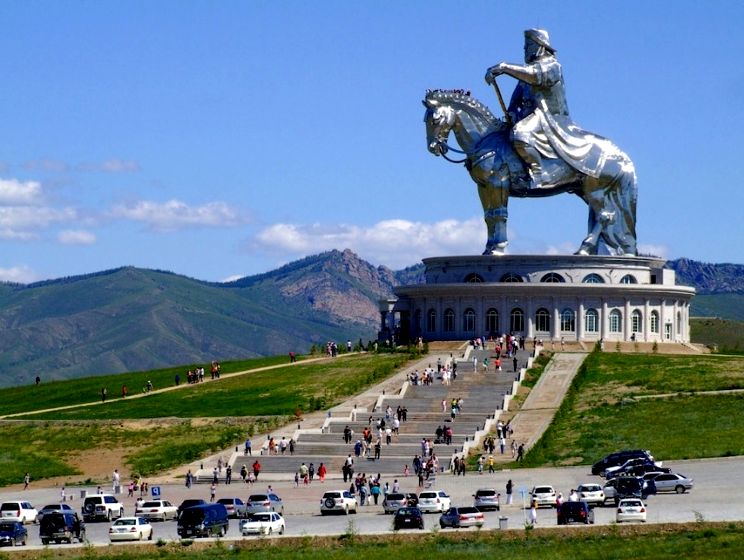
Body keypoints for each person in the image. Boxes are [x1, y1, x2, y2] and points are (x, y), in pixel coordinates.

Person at [485, 29, 607, 191]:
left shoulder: (552, 66)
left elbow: (534, 76)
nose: (525, 50)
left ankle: (539, 174)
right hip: (531, 118)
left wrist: (505, 67)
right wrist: (512, 112)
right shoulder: (524, 74)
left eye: (529, 46)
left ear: (540, 47)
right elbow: (515, 100)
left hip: (549, 118)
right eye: (525, 47)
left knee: (520, 134)